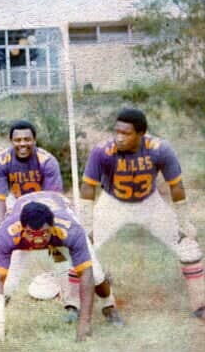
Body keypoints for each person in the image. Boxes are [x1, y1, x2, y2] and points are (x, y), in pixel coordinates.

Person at [81, 106, 204, 321]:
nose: (119, 137)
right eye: (117, 131)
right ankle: (75, 303)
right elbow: (88, 187)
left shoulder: (160, 149)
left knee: (188, 246)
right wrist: (86, 222)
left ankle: (200, 304)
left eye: (126, 133)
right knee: (82, 246)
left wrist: (184, 221)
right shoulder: (102, 151)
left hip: (149, 203)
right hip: (113, 203)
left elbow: (176, 185)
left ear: (141, 134)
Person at [0, 190, 120, 341]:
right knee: (7, 283)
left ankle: (108, 305)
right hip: (26, 231)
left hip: (59, 224)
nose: (38, 240)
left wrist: (85, 323)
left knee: (96, 274)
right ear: (22, 228)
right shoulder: (7, 233)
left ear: (52, 226)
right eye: (32, 234)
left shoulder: (70, 229)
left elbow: (86, 274)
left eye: (44, 233)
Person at [0, 120, 64, 301]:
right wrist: (3, 226)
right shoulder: (1, 161)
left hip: (44, 204)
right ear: (11, 141)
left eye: (27, 139)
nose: (22, 144)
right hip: (15, 202)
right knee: (4, 244)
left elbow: (52, 199)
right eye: (18, 140)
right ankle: (0, 292)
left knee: (59, 245)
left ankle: (66, 287)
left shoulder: (47, 161)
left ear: (35, 140)